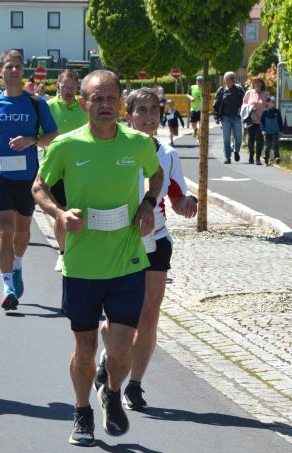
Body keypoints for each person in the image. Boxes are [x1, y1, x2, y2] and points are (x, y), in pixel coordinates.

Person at [32, 70, 163, 446]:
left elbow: (155, 175)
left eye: (110, 98)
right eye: (97, 98)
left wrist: (148, 203)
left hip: (126, 259)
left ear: (120, 102)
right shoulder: (66, 145)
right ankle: (81, 411)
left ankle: (112, 392)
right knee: (86, 346)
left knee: (121, 347)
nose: (105, 104)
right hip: (83, 263)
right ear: (83, 102)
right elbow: (38, 187)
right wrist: (60, 214)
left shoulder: (139, 143)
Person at [92, 87, 197, 412]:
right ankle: (109, 357)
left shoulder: (168, 154)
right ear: (129, 115)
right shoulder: (112, 149)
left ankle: (134, 385)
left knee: (148, 316)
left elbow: (176, 197)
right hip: (118, 242)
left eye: (153, 110)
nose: (149, 116)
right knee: (117, 319)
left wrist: (187, 203)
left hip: (156, 241)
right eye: (142, 110)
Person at [0, 50, 58, 310]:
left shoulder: (36, 103)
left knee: (22, 230)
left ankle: (17, 264)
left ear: (23, 71)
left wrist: (32, 140)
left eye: (18, 67)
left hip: (27, 176)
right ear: (0, 71)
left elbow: (52, 134)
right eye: (9, 67)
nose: (14, 71)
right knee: (4, 229)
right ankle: (7, 285)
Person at [45, 69, 89, 272]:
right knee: (61, 211)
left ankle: (82, 249)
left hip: (83, 167)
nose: (69, 91)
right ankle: (62, 253)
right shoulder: (48, 107)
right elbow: (41, 138)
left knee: (82, 209)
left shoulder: (84, 106)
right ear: (58, 86)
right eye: (65, 87)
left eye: (73, 87)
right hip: (57, 168)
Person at [213, 71, 245, 164]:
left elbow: (245, 100)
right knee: (226, 139)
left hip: (236, 117)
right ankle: (227, 157)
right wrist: (216, 117)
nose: (234, 79)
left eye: (234, 77)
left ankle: (236, 150)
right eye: (231, 78)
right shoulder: (221, 90)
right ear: (225, 80)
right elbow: (216, 104)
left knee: (238, 138)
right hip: (225, 117)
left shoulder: (239, 89)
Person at [242, 77, 269, 165]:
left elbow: (269, 106)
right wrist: (250, 108)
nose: (257, 84)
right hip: (251, 120)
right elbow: (244, 105)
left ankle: (257, 158)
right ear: (253, 84)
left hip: (261, 121)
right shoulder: (249, 93)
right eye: (255, 82)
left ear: (262, 84)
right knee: (251, 139)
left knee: (259, 139)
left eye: (259, 82)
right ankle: (251, 155)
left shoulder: (266, 94)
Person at [260, 96, 283, 166]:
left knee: (276, 145)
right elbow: (262, 122)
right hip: (267, 132)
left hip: (275, 131)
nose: (273, 103)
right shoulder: (265, 112)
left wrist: (281, 130)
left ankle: (276, 157)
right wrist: (263, 130)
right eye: (272, 102)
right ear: (267, 103)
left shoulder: (277, 111)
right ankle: (266, 159)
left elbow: (280, 121)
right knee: (267, 146)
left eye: (274, 102)